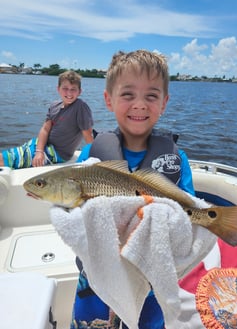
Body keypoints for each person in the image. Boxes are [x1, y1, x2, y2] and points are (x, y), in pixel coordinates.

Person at [72, 50, 195, 329]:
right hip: (96, 279)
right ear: (108, 99)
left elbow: (186, 216)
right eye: (128, 94)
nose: (139, 104)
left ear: (163, 103)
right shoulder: (91, 155)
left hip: (152, 284)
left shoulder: (177, 160)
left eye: (151, 95)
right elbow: (75, 213)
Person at [0, 70, 94, 169]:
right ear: (58, 89)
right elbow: (45, 129)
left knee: (4, 159)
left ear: (79, 92)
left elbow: (88, 135)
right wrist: (39, 151)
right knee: (10, 153)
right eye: (65, 88)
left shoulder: (80, 107)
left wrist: (94, 158)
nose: (69, 93)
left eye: (73, 89)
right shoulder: (54, 105)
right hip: (40, 144)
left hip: (55, 153)